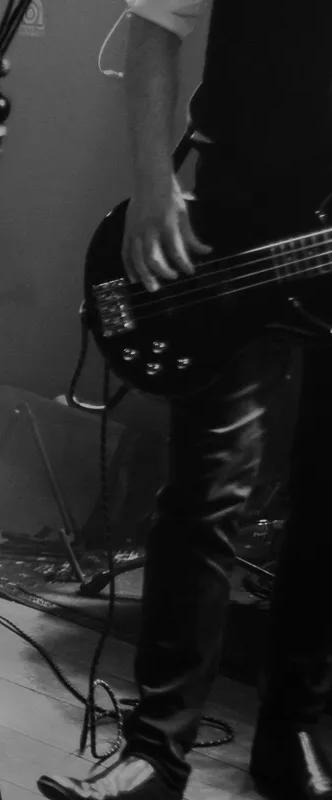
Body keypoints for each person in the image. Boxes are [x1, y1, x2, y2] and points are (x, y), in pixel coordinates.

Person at [38, 1, 331, 799]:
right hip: (238, 217)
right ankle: (156, 752)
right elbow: (154, 26)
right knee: (206, 492)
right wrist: (151, 183)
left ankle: (293, 730)